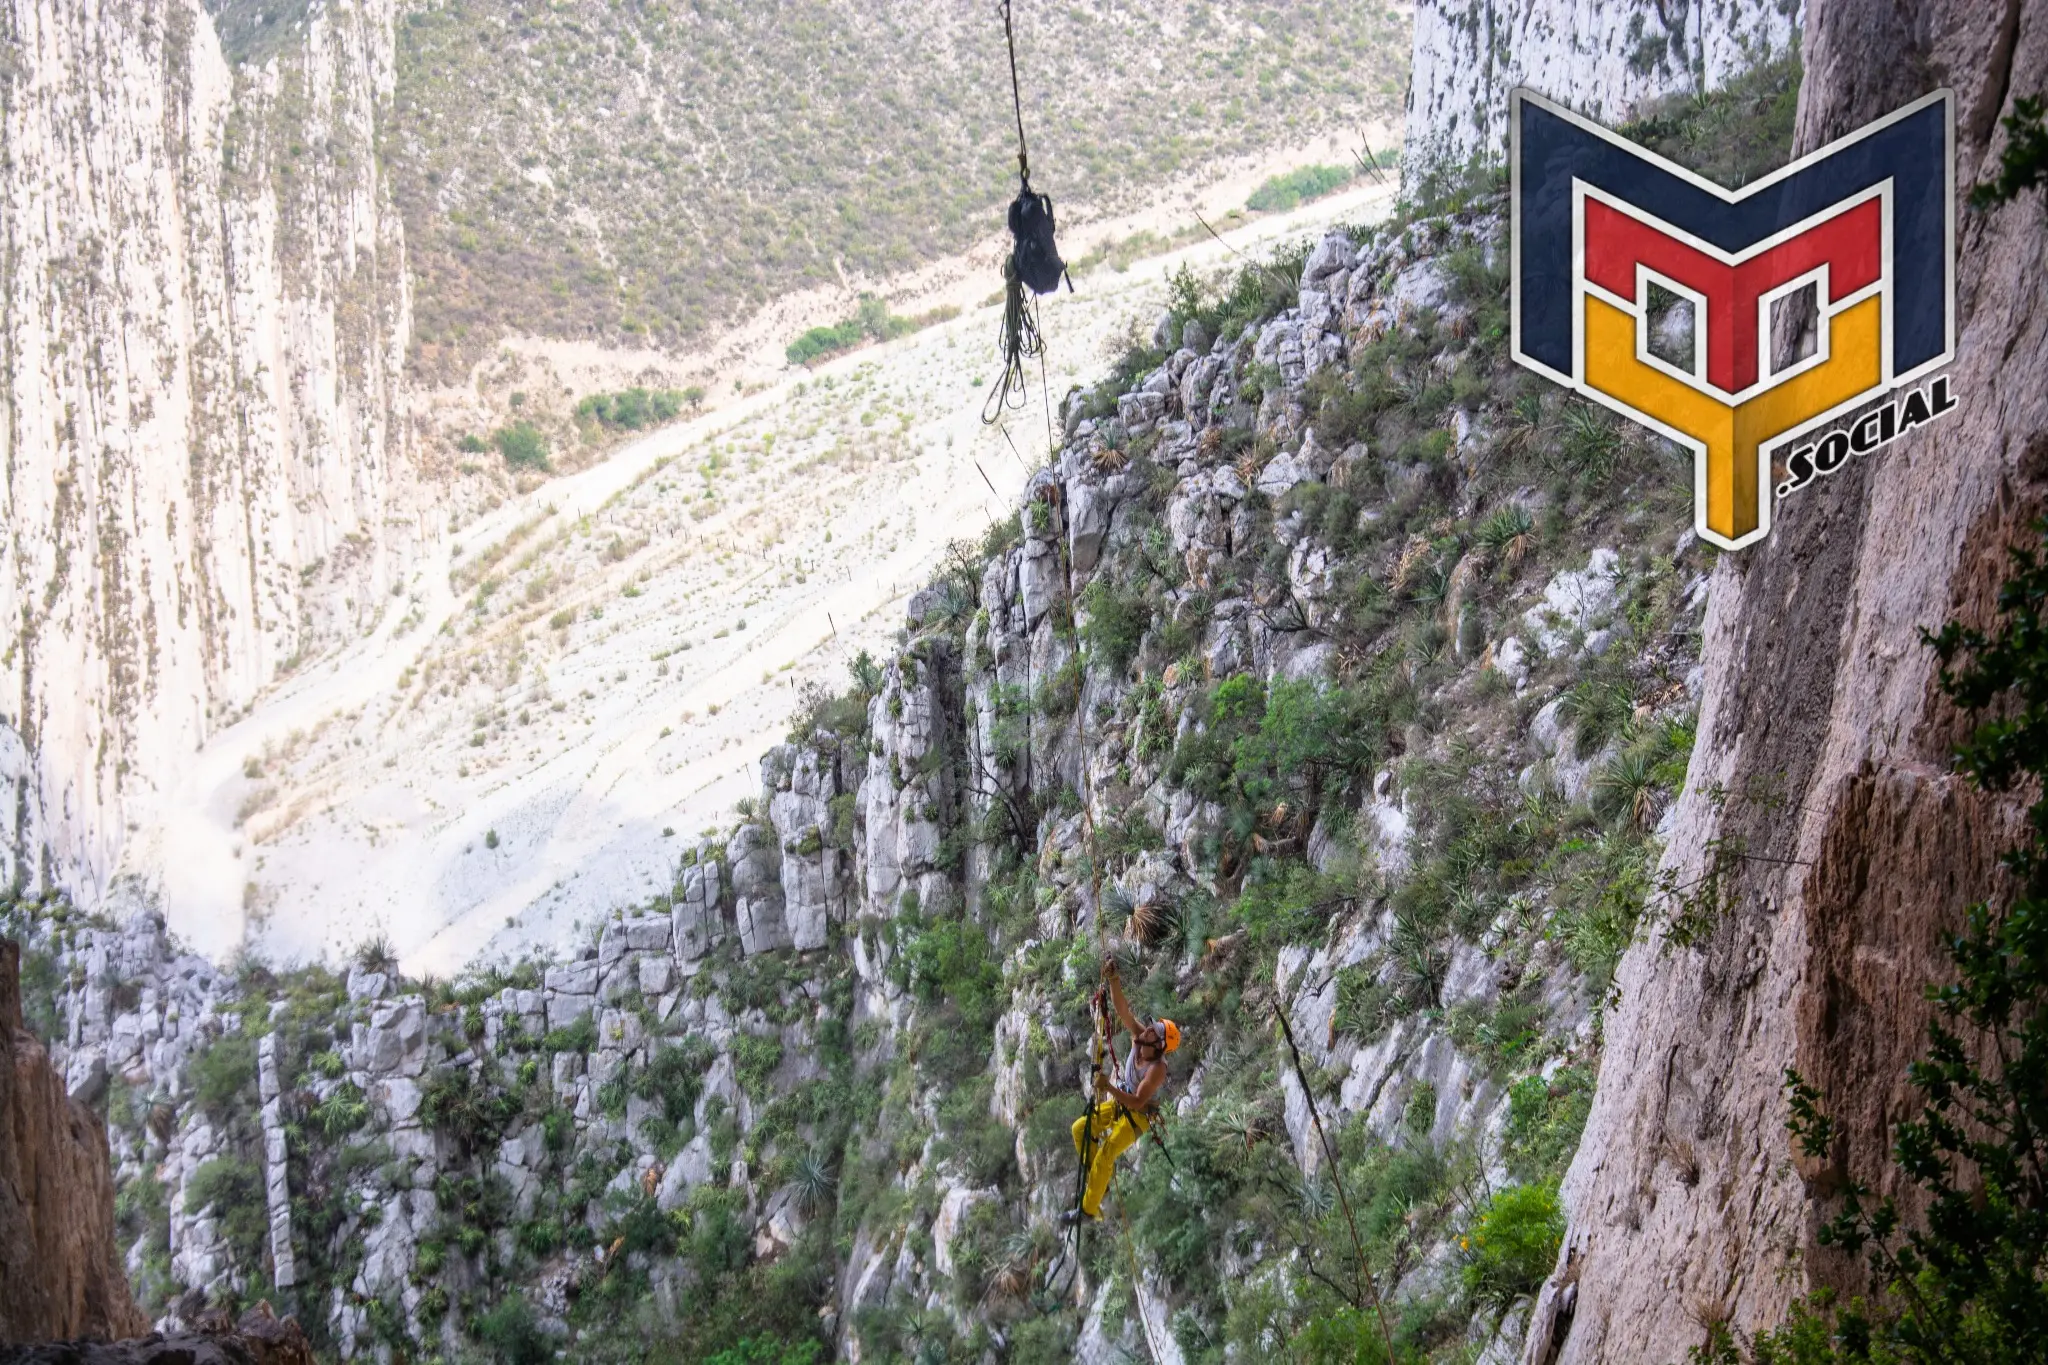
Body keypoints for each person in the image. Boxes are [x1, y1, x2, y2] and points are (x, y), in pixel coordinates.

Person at [1065, 957, 1181, 1223]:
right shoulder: (1141, 1037)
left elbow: (1139, 1100)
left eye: (1154, 1031)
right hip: (1120, 1102)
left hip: (1137, 1116)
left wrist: (1107, 1086)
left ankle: (1088, 1209)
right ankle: (1101, 1182)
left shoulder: (1157, 1069)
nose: (1148, 1030)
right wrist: (1114, 978)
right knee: (1080, 1129)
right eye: (1152, 1026)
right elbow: (1123, 1012)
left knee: (1107, 1153)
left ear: (1160, 1045)